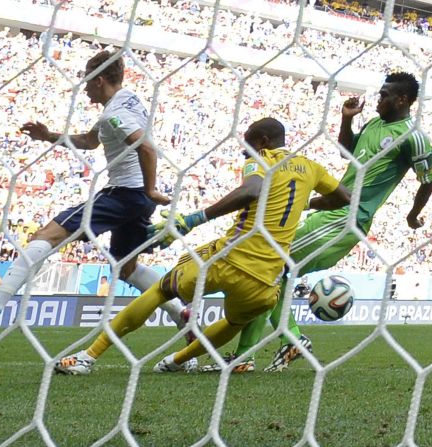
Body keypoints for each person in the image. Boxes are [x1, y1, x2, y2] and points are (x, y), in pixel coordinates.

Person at [53, 117, 351, 375]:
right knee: (235, 320)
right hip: (266, 278)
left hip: (231, 256)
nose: (245, 154)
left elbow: (252, 189)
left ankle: (87, 357)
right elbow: (344, 198)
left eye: (247, 147)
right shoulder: (312, 168)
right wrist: (307, 204)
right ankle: (177, 360)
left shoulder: (262, 160)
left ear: (262, 142)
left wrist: (196, 218)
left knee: (161, 290)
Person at [203, 72, 432, 373]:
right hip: (332, 212)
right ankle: (289, 341)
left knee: (271, 267)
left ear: (403, 99)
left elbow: (429, 179)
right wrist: (347, 120)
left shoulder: (413, 136)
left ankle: (248, 356)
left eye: (384, 95)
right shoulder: (376, 124)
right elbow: (347, 151)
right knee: (275, 270)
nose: (378, 99)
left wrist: (412, 214)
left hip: (348, 219)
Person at [0, 50, 187, 332]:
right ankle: (181, 314)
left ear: (99, 80)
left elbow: (145, 146)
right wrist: (47, 136)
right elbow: (89, 140)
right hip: (137, 199)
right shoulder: (128, 100)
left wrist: (150, 189)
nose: (84, 86)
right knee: (125, 267)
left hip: (124, 193)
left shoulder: (114, 113)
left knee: (45, 235)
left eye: (87, 80)